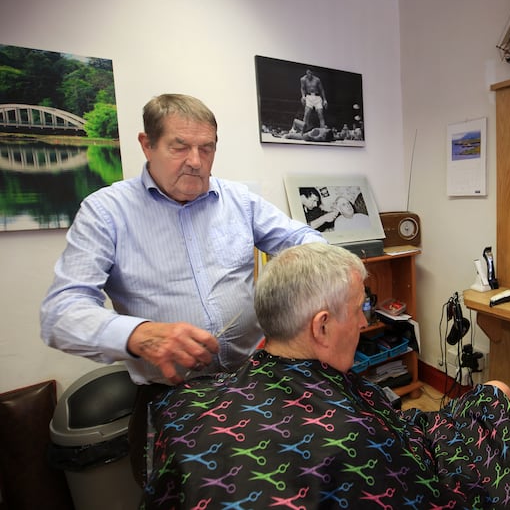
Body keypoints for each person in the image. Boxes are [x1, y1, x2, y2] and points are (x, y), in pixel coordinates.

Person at [39, 93, 326, 483]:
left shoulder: (238, 200)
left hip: (254, 379)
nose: (196, 160)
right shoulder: (105, 212)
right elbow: (60, 313)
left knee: (274, 481)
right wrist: (140, 334)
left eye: (206, 148)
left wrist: (330, 268)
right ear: (147, 144)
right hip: (169, 397)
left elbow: (302, 238)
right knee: (182, 493)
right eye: (180, 146)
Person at [141, 243, 510, 508]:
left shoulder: (180, 405)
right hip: (391, 446)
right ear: (320, 327)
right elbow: (417, 484)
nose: (363, 321)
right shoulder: (353, 438)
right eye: (359, 308)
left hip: (377, 429)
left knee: (486, 397)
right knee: (494, 396)